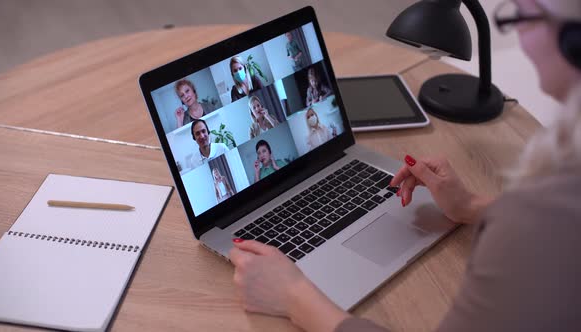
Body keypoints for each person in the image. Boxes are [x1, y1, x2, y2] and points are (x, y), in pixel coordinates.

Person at [229, 0, 581, 331]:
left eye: (522, 17)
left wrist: (294, 297)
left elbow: (552, 225)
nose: (520, 35)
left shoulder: (544, 221)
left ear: (573, 40)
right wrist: (473, 207)